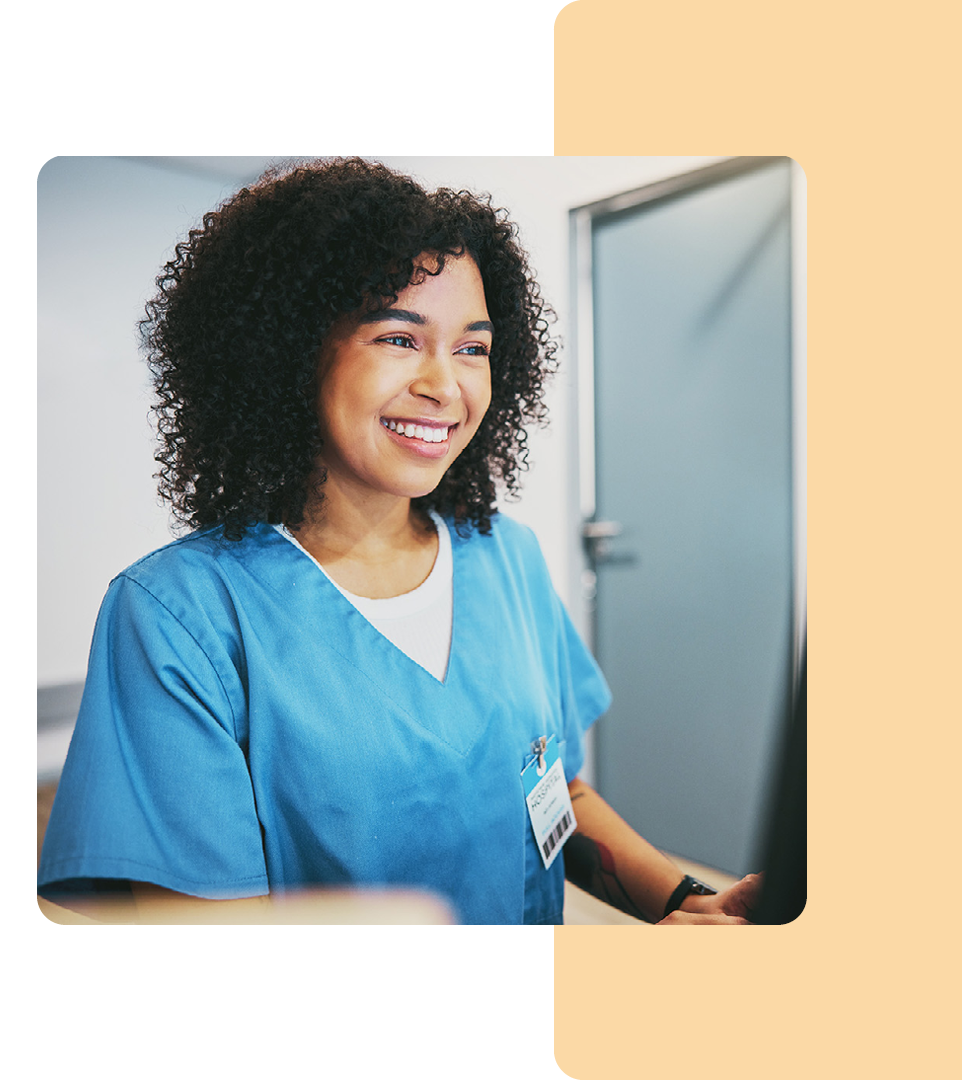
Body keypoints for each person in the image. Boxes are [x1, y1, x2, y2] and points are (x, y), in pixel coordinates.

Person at [37, 158, 759, 924]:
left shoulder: (505, 557)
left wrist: (688, 906)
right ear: (290, 352)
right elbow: (214, 950)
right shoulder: (178, 617)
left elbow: (551, 791)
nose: (446, 386)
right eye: (398, 338)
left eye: (474, 348)